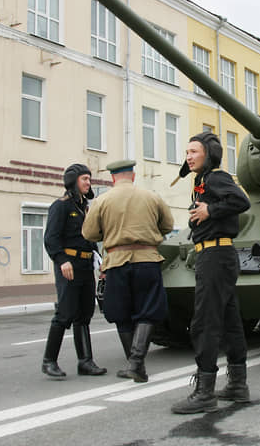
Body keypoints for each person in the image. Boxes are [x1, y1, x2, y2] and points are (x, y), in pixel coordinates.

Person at [171, 132, 251, 414]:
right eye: (187, 152)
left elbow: (242, 202)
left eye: (194, 151)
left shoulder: (216, 177)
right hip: (218, 255)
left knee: (204, 321)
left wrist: (211, 210)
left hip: (215, 255)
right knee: (230, 321)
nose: (188, 156)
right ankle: (238, 385)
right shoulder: (202, 181)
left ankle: (204, 392)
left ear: (209, 153)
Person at [82, 159, 174, 382]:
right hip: (147, 259)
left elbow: (89, 234)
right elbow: (168, 226)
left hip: (116, 262)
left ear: (113, 178)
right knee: (148, 310)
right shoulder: (152, 197)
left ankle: (135, 364)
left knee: (121, 313)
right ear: (132, 176)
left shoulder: (102, 201)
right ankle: (136, 364)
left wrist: (111, 232)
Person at [41, 163, 107, 378]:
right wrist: (62, 260)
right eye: (84, 179)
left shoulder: (85, 207)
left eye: (89, 179)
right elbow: (51, 238)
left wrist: (99, 262)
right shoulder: (61, 206)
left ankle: (85, 362)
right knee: (65, 313)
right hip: (68, 266)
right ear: (73, 181)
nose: (88, 183)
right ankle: (49, 361)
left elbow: (89, 239)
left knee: (85, 314)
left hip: (85, 266)